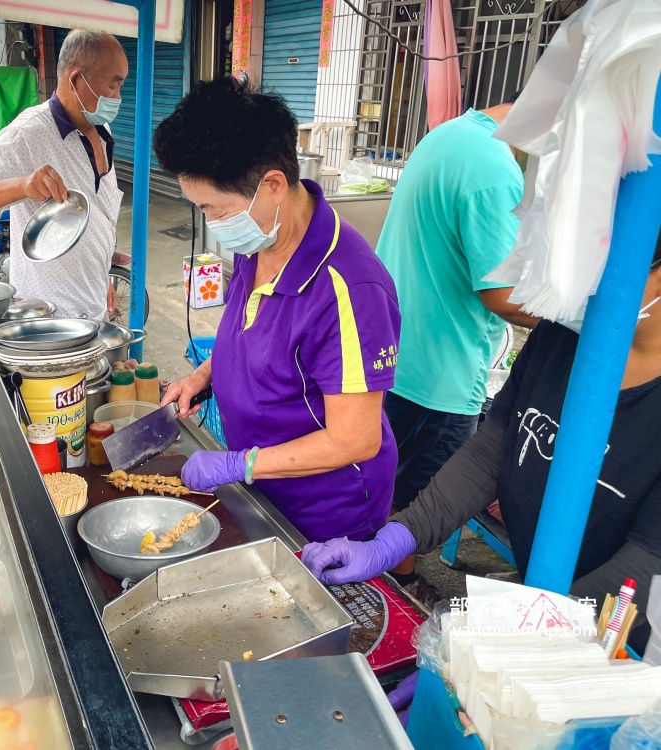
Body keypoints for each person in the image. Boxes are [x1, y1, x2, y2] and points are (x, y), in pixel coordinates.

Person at [302, 233, 661, 653]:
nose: (575, 287)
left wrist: (499, 648)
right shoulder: (563, 336)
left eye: (591, 270)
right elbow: (491, 452)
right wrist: (397, 536)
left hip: (625, 638)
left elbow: (648, 562)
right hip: (543, 596)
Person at [153, 77, 401, 543]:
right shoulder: (260, 238)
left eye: (215, 209)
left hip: (323, 512)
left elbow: (355, 439)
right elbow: (257, 339)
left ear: (272, 185)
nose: (211, 223)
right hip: (262, 484)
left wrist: (238, 463)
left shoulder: (349, 289)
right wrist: (205, 375)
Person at [374, 96, 540, 593]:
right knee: (421, 495)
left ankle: (381, 573)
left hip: (392, 350)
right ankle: (397, 586)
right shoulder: (493, 169)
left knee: (387, 480)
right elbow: (506, 295)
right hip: (440, 372)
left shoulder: (449, 136)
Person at [0, 30, 127, 320]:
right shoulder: (28, 133)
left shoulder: (103, 129)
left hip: (92, 311)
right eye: (113, 85)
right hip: (46, 320)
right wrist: (22, 186)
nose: (118, 97)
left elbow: (98, 218)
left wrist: (102, 274)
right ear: (76, 80)